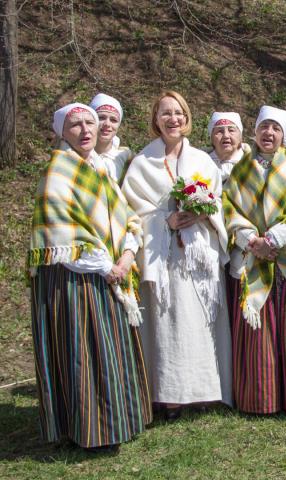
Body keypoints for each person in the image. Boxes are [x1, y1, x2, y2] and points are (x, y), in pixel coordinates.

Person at [28, 102, 151, 452]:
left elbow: (127, 217)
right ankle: (89, 427)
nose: (85, 131)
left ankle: (119, 420)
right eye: (76, 125)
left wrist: (127, 254)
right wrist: (103, 265)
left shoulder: (100, 168)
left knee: (110, 349)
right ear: (61, 132)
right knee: (84, 350)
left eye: (89, 123)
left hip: (110, 271)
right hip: (76, 279)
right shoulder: (58, 171)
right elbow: (60, 232)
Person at [122, 91, 233, 420]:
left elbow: (218, 203)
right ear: (155, 119)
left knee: (202, 320)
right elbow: (131, 210)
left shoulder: (202, 160)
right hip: (165, 255)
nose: (173, 119)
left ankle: (203, 391)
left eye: (179, 113)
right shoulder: (142, 163)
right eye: (166, 113)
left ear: (187, 119)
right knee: (170, 323)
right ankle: (169, 395)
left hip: (199, 255)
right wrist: (163, 219)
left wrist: (202, 213)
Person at [224, 105, 286, 414]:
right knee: (259, 331)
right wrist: (252, 240)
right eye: (264, 127)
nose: (269, 133)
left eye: (275, 129)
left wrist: (275, 239)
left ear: (284, 135)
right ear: (254, 132)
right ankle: (260, 398)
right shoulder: (241, 169)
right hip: (255, 257)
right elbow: (228, 210)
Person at [90, 93, 133, 184]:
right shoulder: (78, 155)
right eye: (101, 118)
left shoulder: (127, 157)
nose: (107, 124)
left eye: (113, 120)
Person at [207, 111, 251, 183]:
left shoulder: (252, 163)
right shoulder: (202, 163)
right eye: (220, 131)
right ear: (211, 137)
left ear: (240, 136)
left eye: (231, 130)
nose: (226, 136)